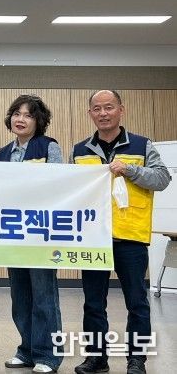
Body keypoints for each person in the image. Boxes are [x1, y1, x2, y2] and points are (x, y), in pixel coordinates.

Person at [71, 90, 171, 374]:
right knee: (93, 303)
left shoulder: (141, 145)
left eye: (109, 107)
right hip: (93, 238)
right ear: (90, 113)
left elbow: (162, 178)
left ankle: (136, 360)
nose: (103, 113)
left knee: (137, 302)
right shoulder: (79, 150)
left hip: (130, 236)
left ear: (121, 110)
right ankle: (96, 358)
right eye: (97, 108)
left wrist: (129, 170)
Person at [0, 95, 63, 374]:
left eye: (28, 115)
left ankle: (48, 355)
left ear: (39, 121)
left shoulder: (48, 146)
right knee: (20, 296)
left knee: (44, 296)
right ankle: (26, 350)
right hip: (13, 233)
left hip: (41, 233)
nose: (20, 119)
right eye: (16, 114)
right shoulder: (2, 153)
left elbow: (60, 185)